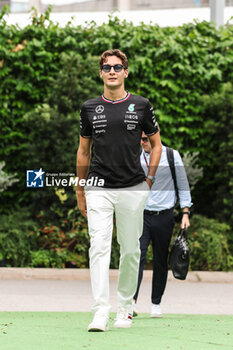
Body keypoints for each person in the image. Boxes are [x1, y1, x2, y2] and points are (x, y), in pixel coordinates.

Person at [76, 49, 162, 331]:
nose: (111, 71)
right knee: (98, 247)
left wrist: (149, 180)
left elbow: (157, 144)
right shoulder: (89, 108)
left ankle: (125, 308)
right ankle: (100, 311)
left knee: (130, 251)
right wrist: (80, 189)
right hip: (98, 187)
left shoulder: (141, 105)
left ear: (126, 72)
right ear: (100, 73)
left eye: (117, 67)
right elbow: (83, 152)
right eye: (106, 67)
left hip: (133, 188)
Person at [133, 132, 192, 318]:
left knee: (160, 261)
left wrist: (185, 213)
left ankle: (156, 304)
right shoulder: (136, 156)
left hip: (164, 216)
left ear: (154, 137)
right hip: (142, 215)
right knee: (136, 257)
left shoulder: (171, 155)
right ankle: (131, 302)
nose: (141, 142)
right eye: (139, 139)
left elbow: (183, 184)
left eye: (145, 138)